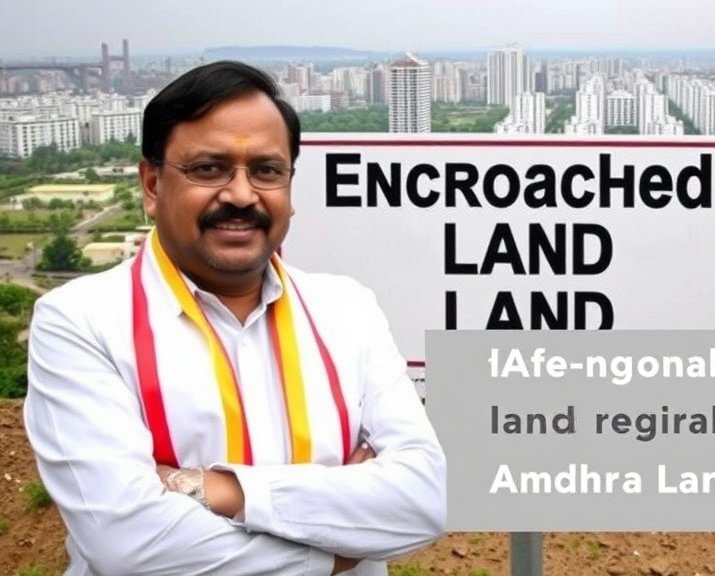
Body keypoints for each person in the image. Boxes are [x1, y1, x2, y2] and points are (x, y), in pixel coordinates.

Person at [23, 61, 446, 575]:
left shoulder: (347, 309)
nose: (242, 195)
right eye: (209, 169)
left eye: (266, 171)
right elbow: (126, 543)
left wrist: (217, 489)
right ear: (152, 185)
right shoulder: (80, 322)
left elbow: (423, 500)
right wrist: (333, 555)